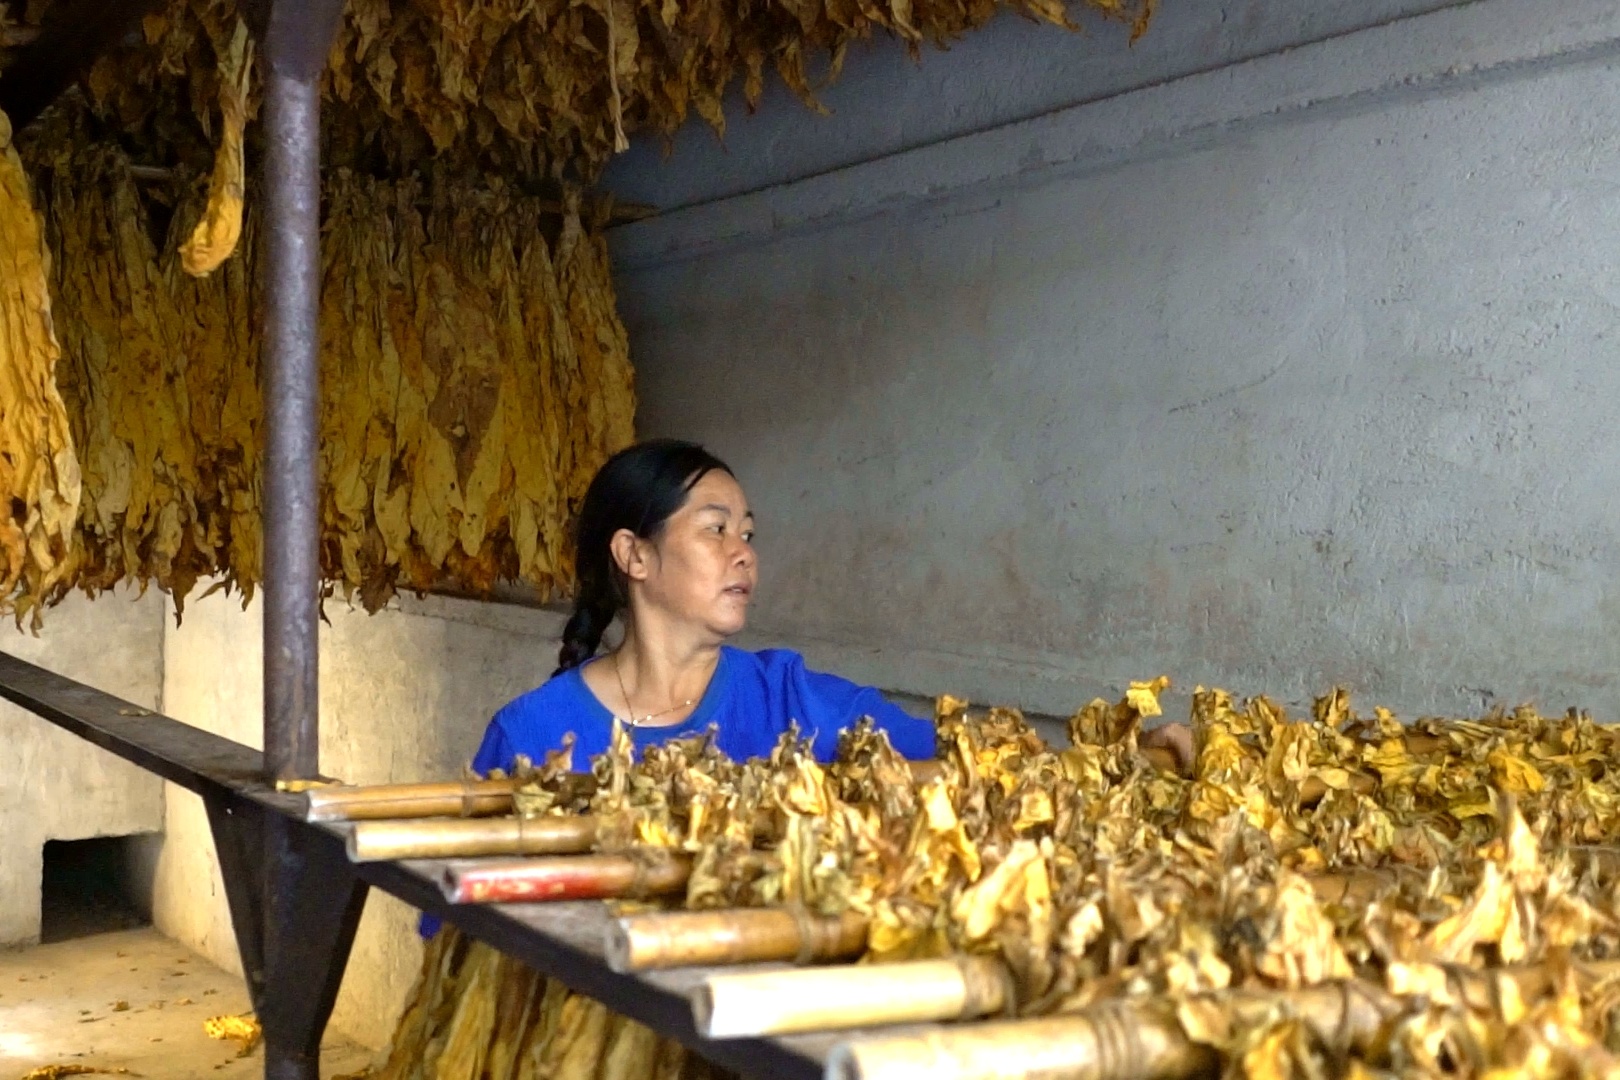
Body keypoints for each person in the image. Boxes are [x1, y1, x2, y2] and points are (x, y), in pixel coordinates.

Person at [469, 439, 938, 777]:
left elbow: (958, 760)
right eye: (716, 529)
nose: (744, 553)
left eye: (747, 534)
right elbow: (455, 914)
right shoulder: (530, 737)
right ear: (635, 555)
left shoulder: (791, 701)